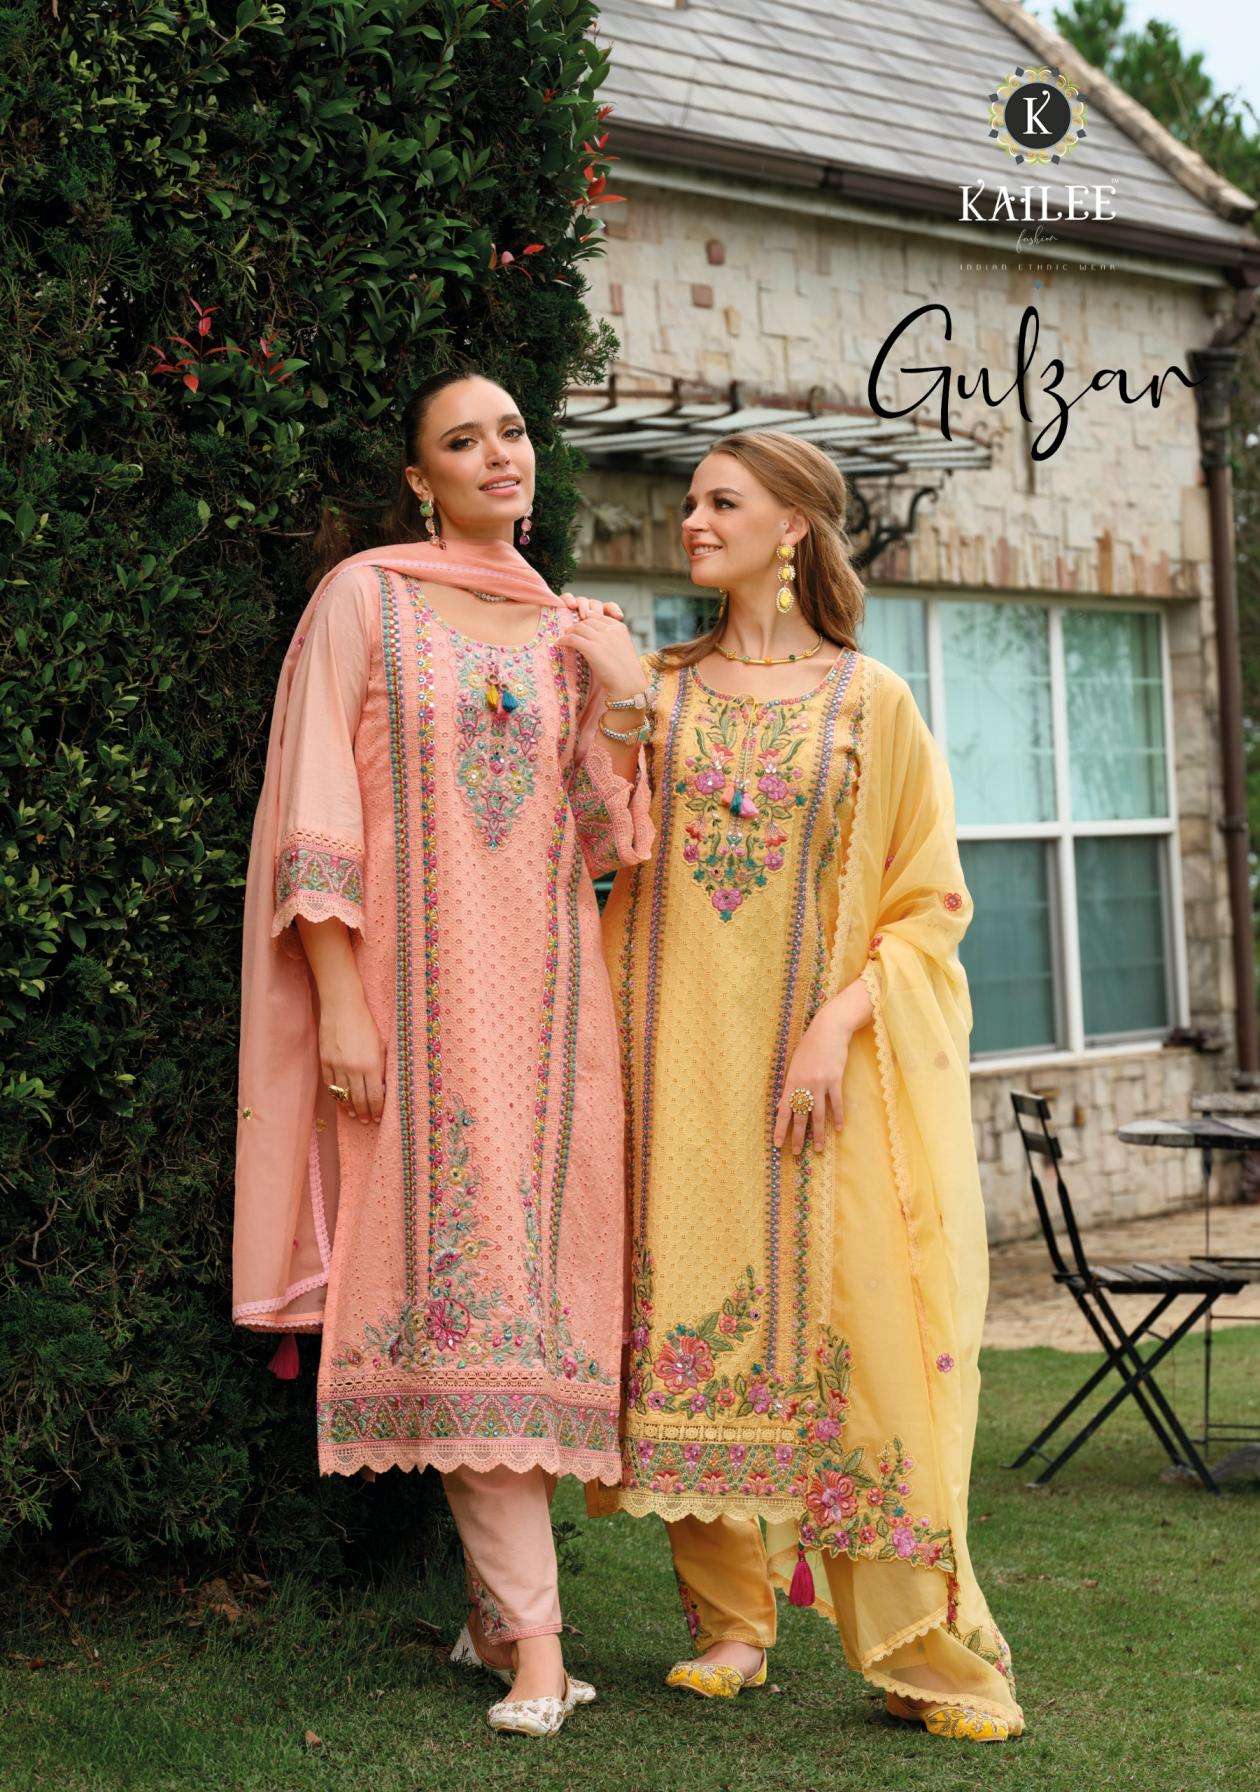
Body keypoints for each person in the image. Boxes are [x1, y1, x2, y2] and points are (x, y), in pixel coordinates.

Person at [233, 369, 653, 1736]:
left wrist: (626, 697)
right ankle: (539, 1650)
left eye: (512, 432)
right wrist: (340, 1000)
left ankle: (492, 1621)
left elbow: (615, 839)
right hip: (413, 1012)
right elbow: (316, 805)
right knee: (467, 1302)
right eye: (463, 441)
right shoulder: (367, 599)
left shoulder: (564, 628)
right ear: (421, 479)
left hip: (551, 1018)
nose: (497, 455)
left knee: (529, 1309)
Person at [590, 430, 1025, 1742]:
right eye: (689, 502)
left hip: (822, 1085)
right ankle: (731, 1627)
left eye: (721, 502)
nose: (693, 520)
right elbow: (598, 843)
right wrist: (613, 704)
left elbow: (930, 899)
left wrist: (840, 1022)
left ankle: (917, 1649)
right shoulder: (659, 689)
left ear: (791, 527)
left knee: (860, 1346)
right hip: (672, 1070)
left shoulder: (870, 701)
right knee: (691, 1316)